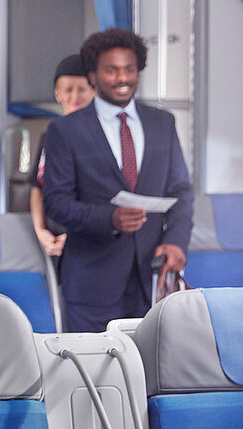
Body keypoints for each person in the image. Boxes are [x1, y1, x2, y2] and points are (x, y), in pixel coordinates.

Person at [42, 28, 193, 332]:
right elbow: (56, 204)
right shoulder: (65, 131)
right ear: (93, 76)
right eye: (111, 70)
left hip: (150, 277)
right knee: (93, 375)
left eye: (129, 69)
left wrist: (176, 241)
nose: (122, 78)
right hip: (91, 282)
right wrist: (109, 218)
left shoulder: (163, 123)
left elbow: (181, 192)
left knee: (148, 374)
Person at [29, 54, 94, 256]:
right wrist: (41, 231)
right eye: (68, 90)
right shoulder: (50, 136)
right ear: (58, 95)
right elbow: (37, 188)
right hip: (53, 244)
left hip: (92, 242)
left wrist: (78, 236)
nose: (75, 96)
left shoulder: (105, 140)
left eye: (82, 89)